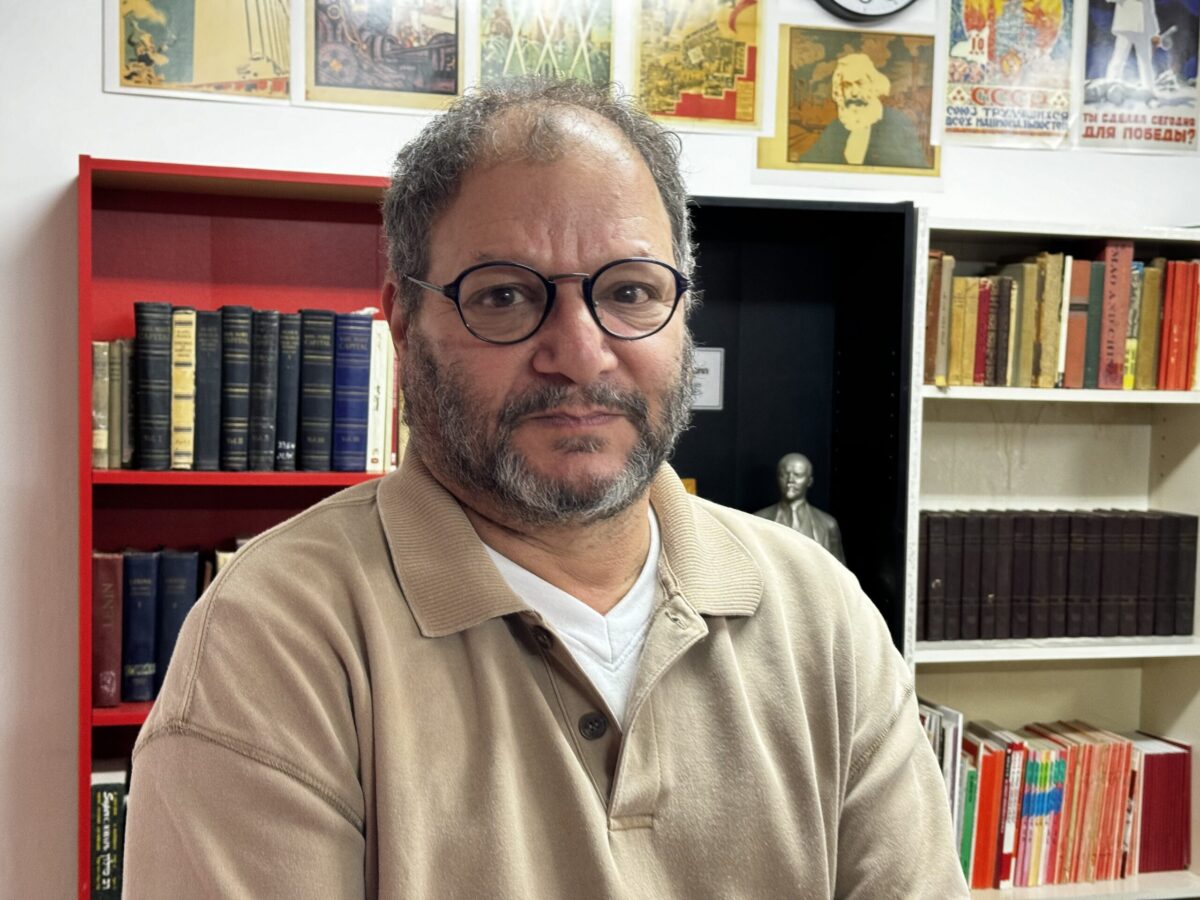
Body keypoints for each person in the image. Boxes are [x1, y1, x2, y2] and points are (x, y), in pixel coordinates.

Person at [123, 78, 968, 897]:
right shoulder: (272, 640)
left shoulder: (822, 614)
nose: (580, 353)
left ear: (683, 313)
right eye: (503, 295)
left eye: (630, 291)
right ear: (405, 326)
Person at [801, 52, 927, 169]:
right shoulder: (836, 127)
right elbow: (806, 166)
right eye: (847, 85)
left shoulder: (896, 123)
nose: (854, 93)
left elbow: (916, 173)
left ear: (873, 85)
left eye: (860, 83)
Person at [755, 452, 845, 564]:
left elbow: (839, 571)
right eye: (784, 474)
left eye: (797, 475)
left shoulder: (828, 524)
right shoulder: (757, 520)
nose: (790, 480)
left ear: (809, 481)